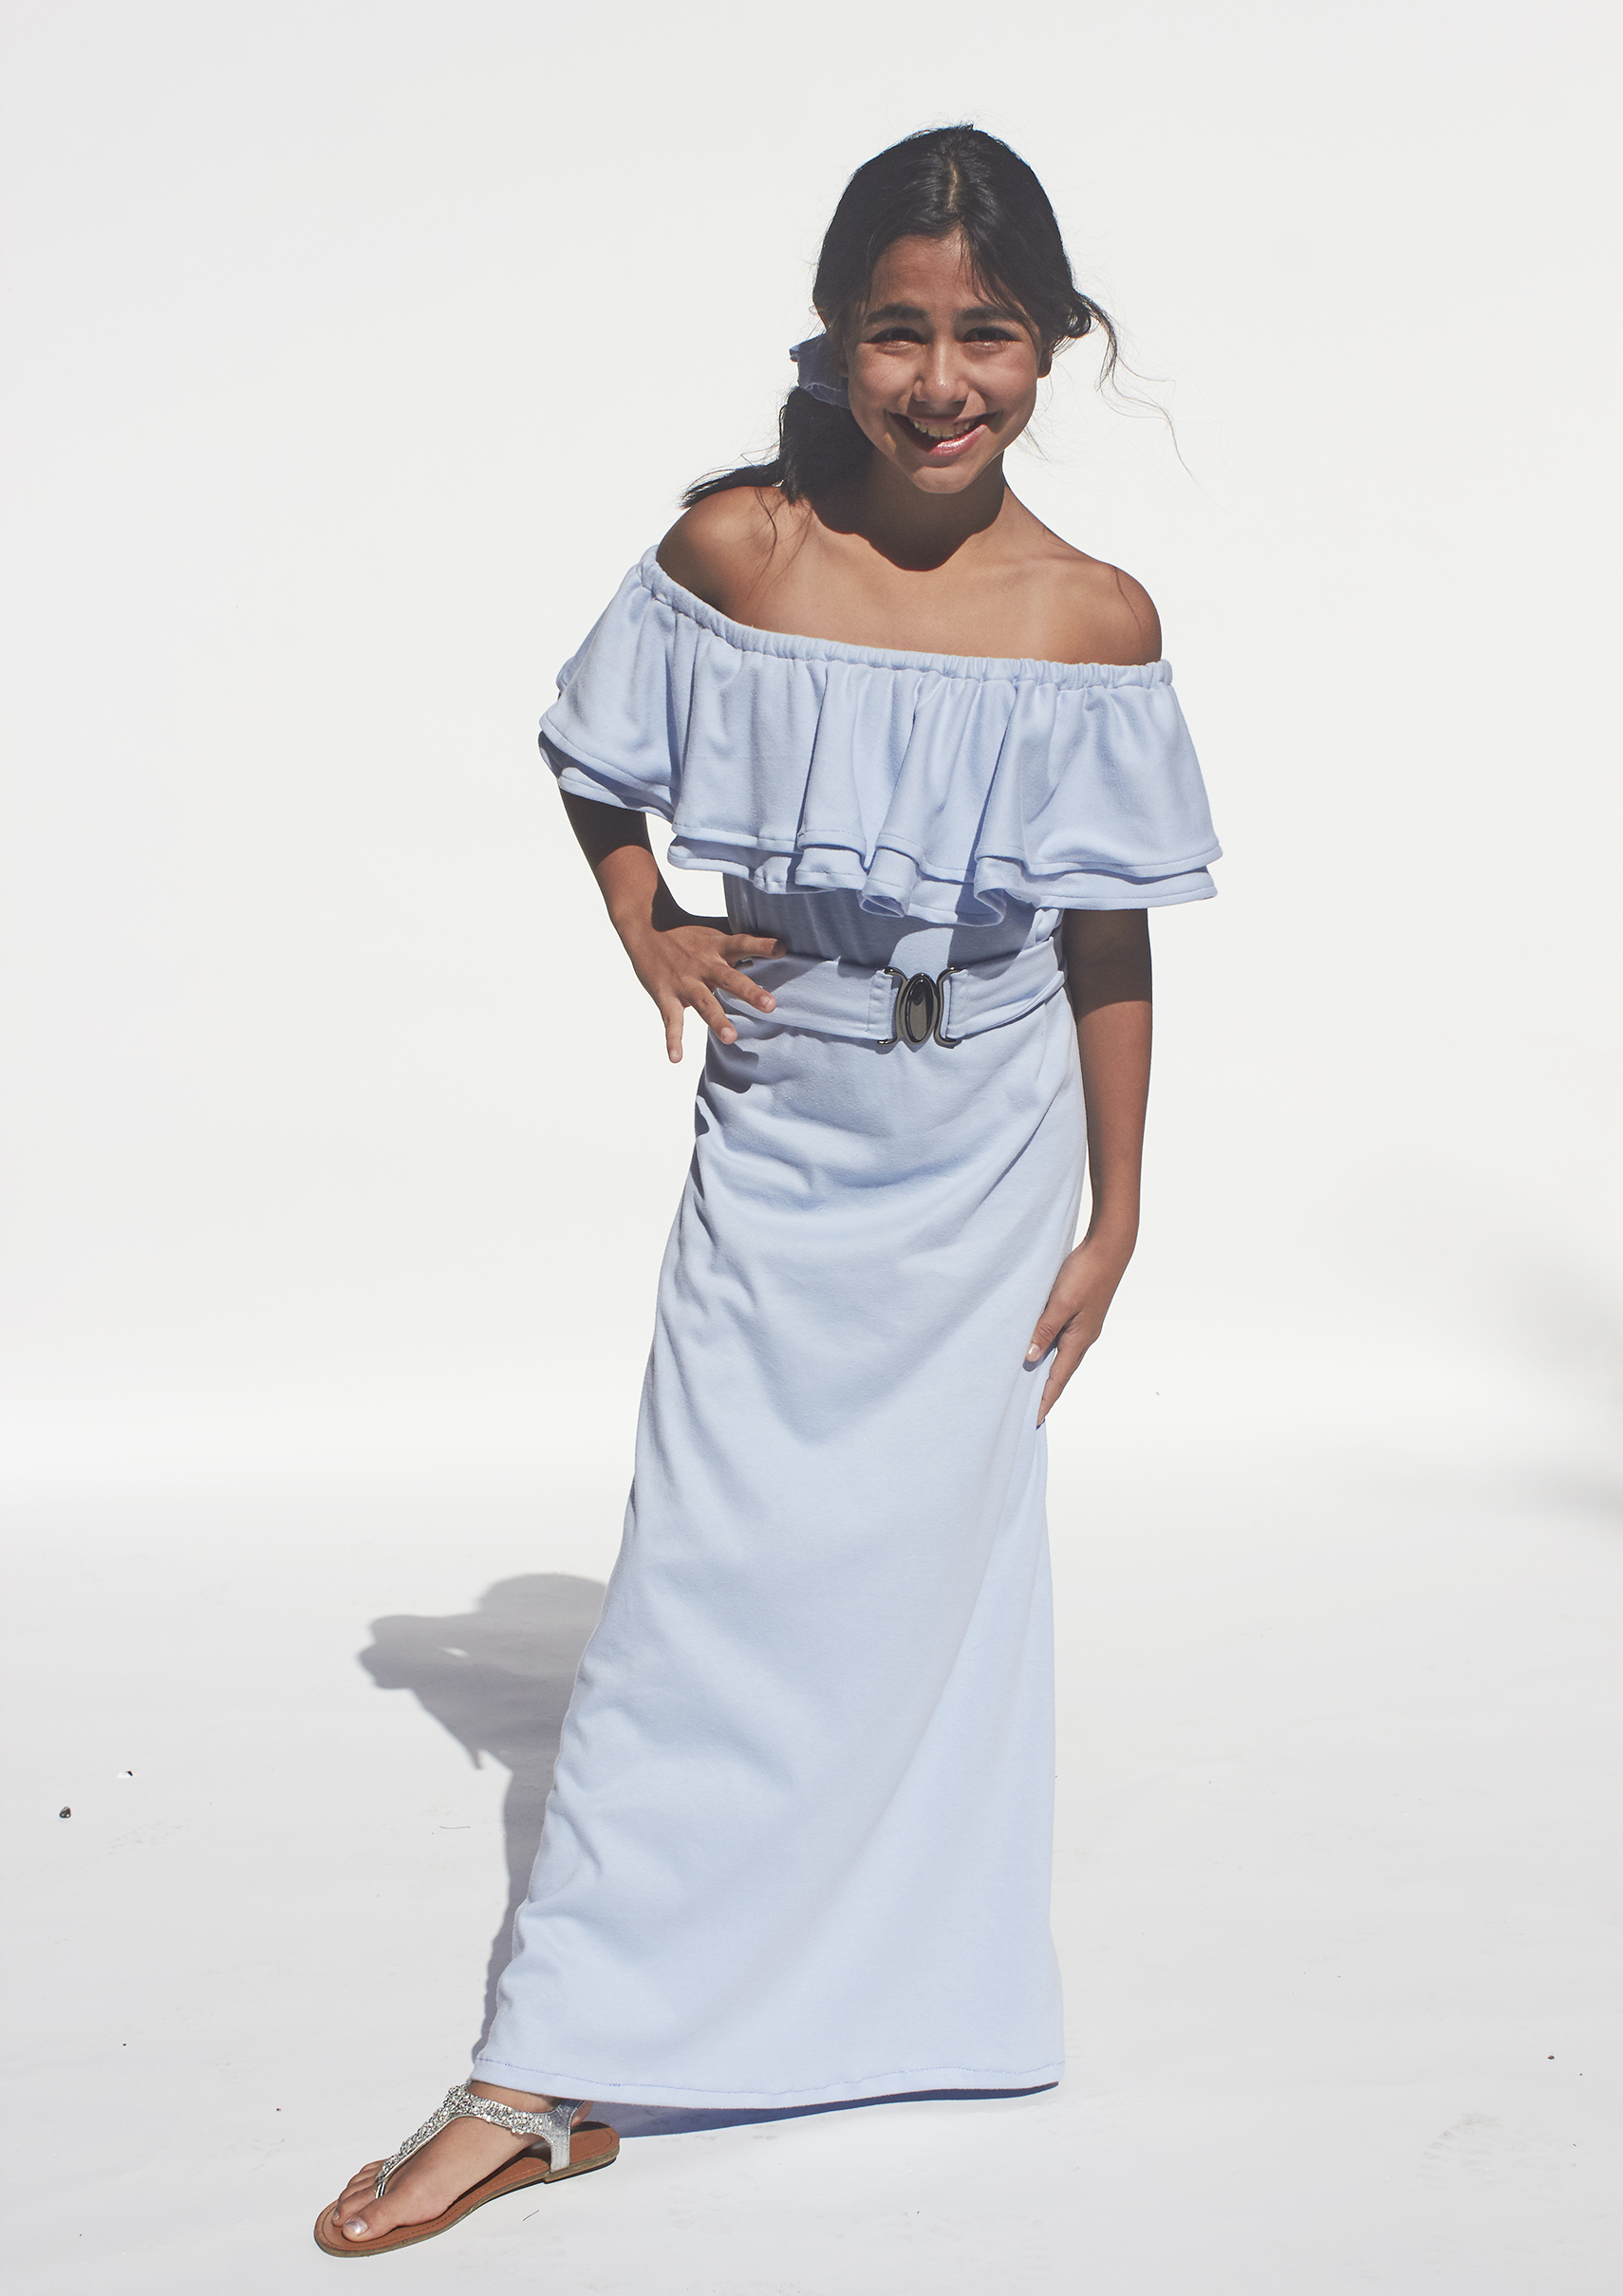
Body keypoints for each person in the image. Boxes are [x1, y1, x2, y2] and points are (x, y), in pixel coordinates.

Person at [317, 121, 1218, 2259]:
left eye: (986, 332)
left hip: (993, 1149)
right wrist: (649, 929)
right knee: (710, 1578)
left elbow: (1109, 933)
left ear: (1052, 342)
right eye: (895, 329)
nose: (940, 379)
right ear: (832, 334)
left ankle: (912, 2000)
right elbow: (588, 749)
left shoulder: (1094, 620)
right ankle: (539, 2072)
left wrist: (1117, 1212)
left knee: (938, 1589)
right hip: (795, 1110)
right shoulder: (740, 549)